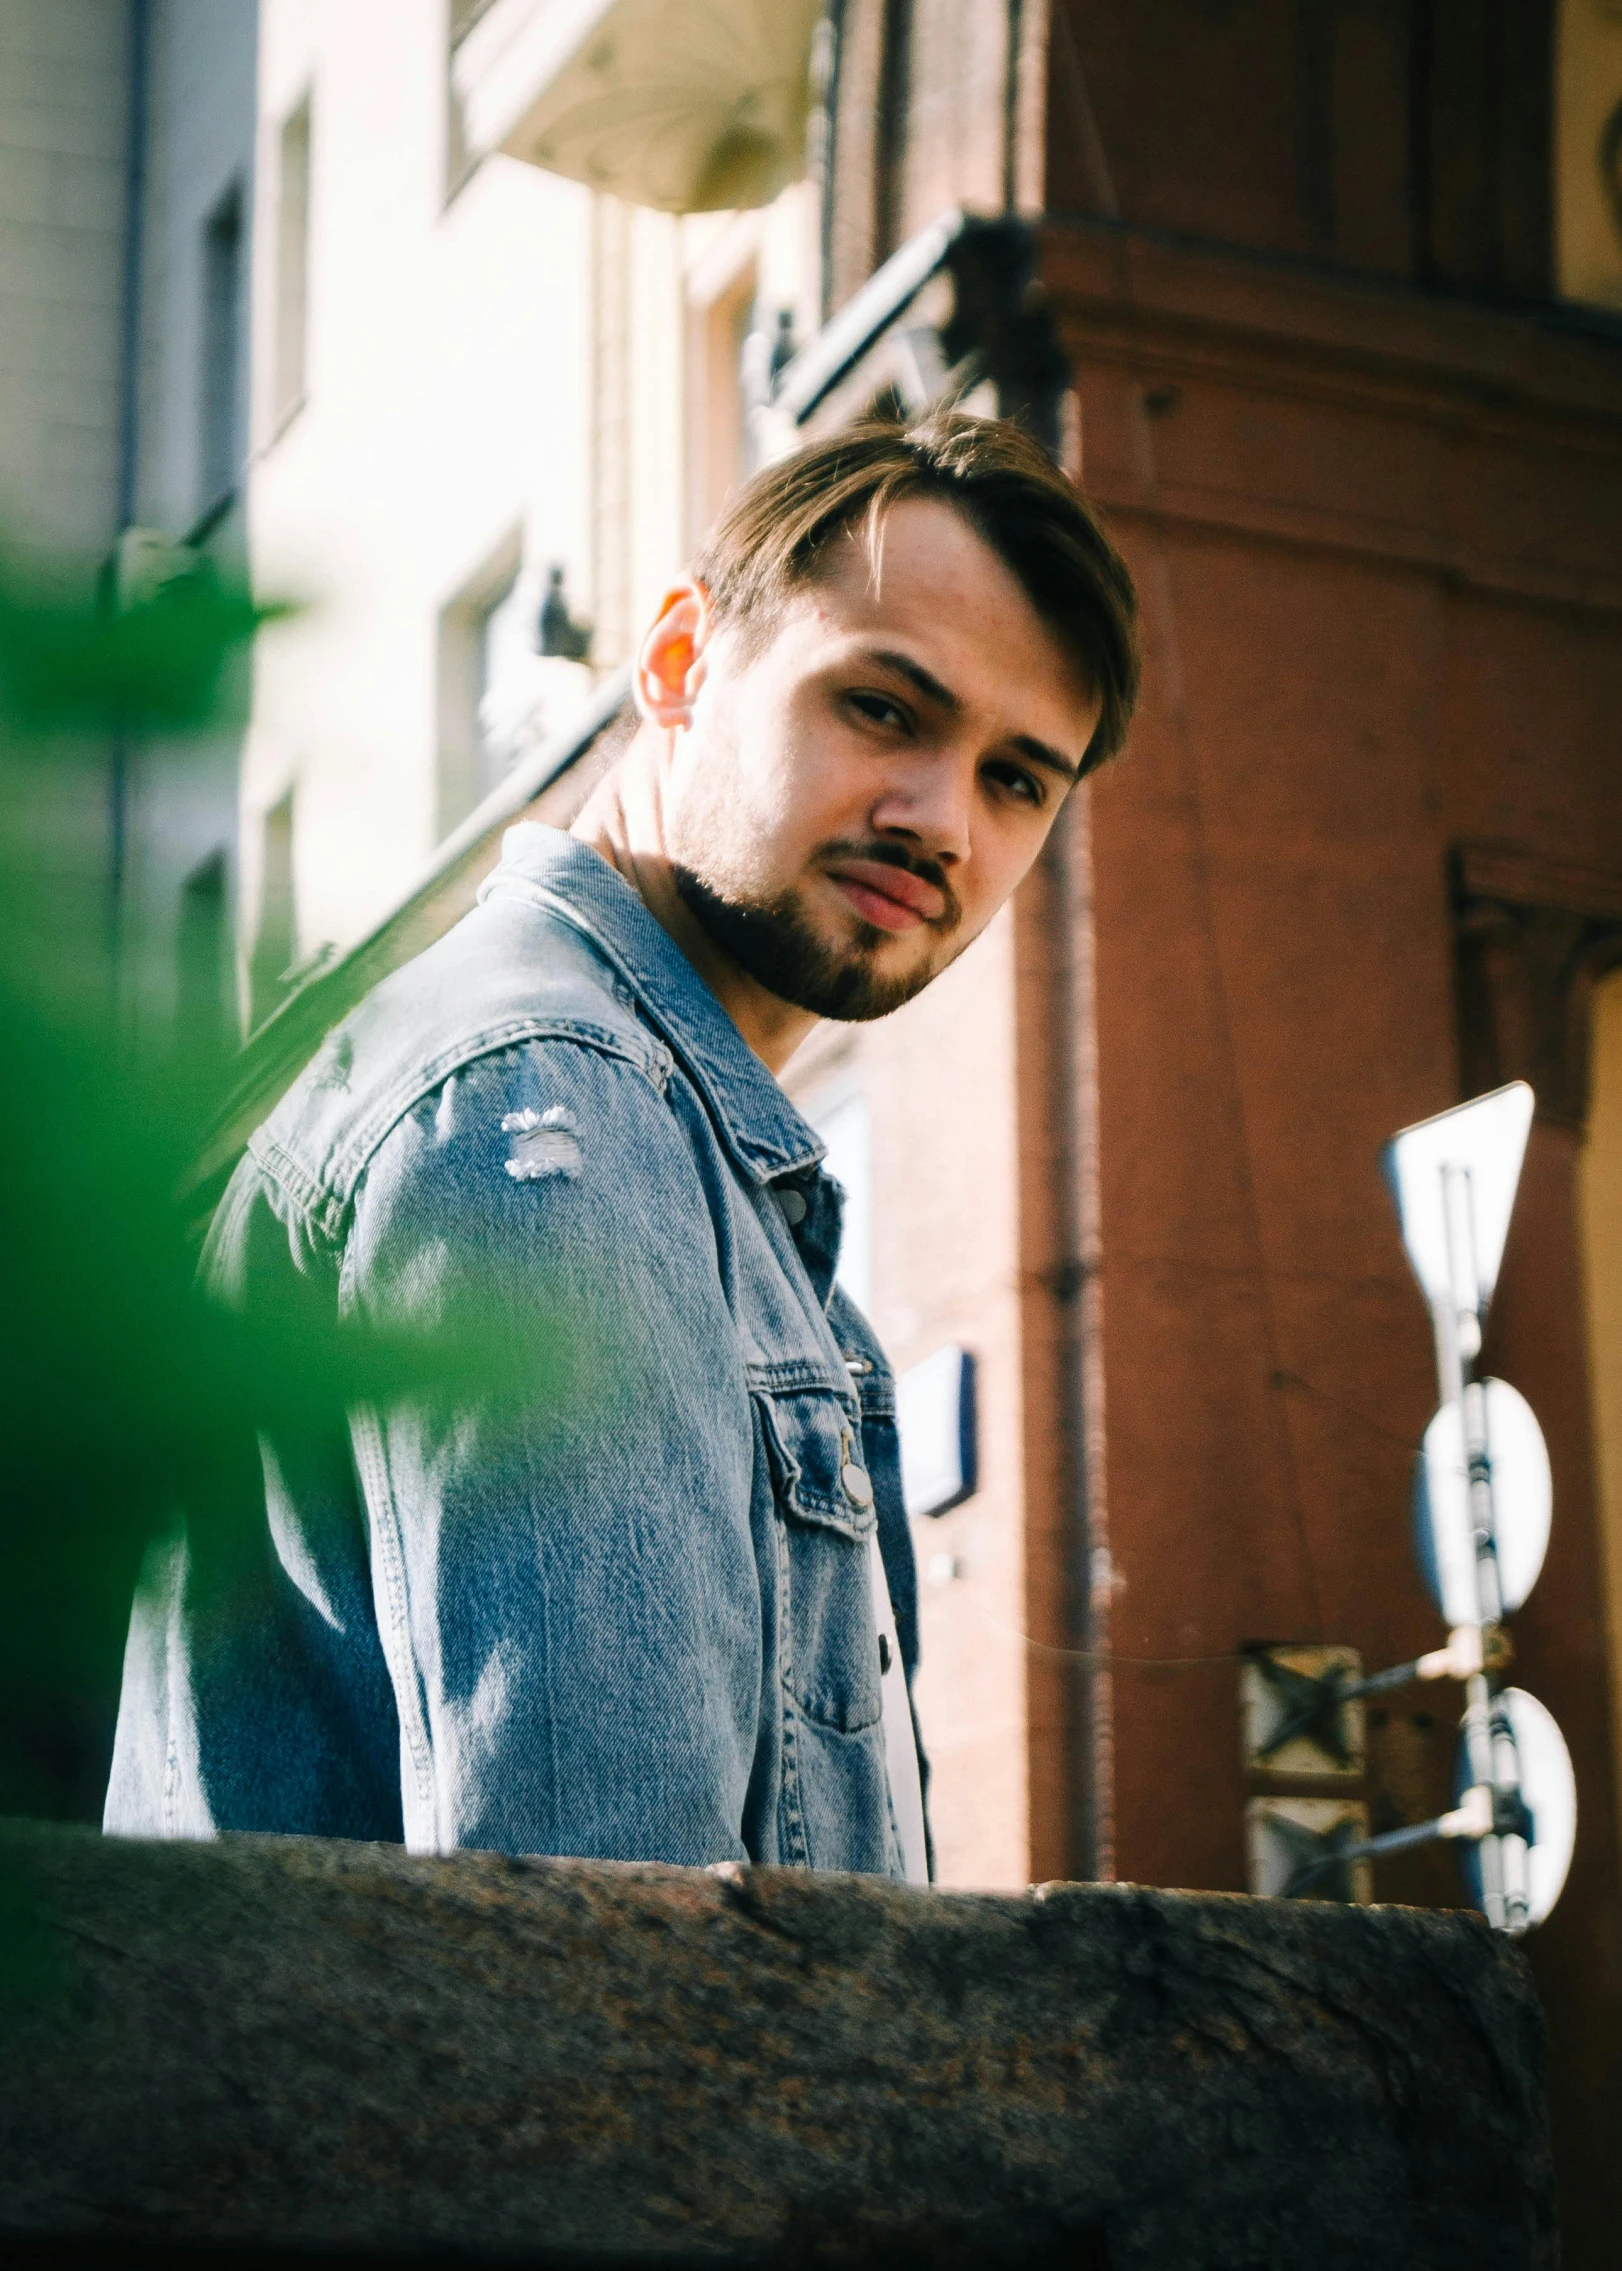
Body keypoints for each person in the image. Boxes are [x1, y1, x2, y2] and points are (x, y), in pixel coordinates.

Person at [104, 412, 1139, 1879]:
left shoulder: (676, 1149)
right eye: (884, 709)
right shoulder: (552, 1119)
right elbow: (617, 1955)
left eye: (1016, 778)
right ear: (675, 662)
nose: (940, 821)